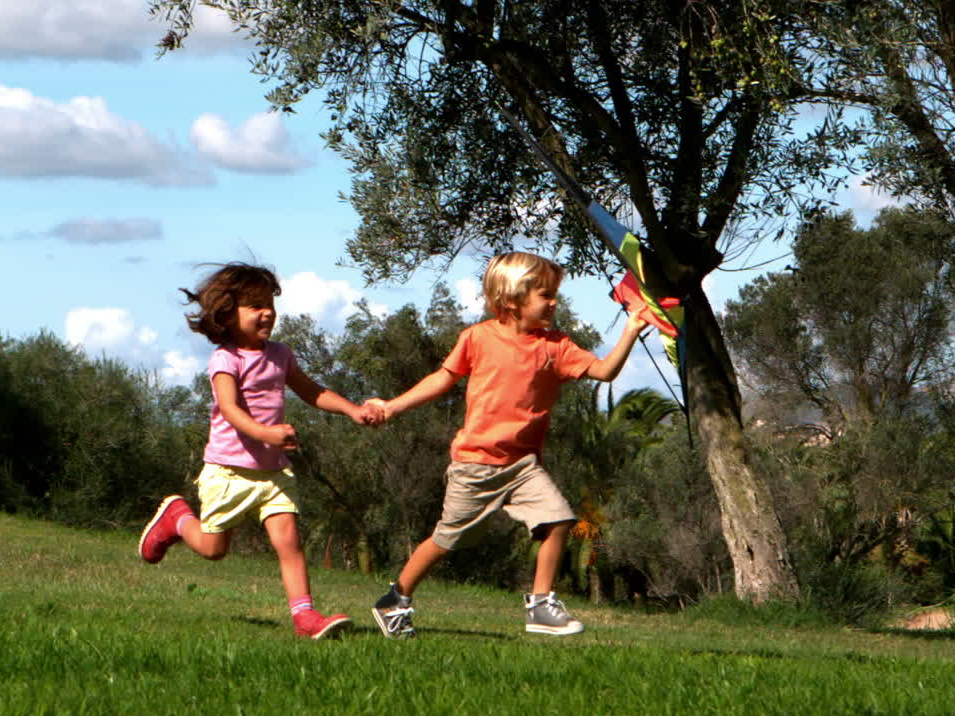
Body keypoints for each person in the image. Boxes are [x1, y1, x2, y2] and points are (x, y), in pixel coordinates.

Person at [366, 251, 647, 638]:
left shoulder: (557, 346)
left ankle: (541, 605)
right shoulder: (477, 338)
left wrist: (631, 329)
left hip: (522, 465)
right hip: (474, 464)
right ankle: (395, 599)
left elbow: (604, 370)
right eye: (545, 295)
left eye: (554, 295)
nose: (554, 302)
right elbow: (441, 380)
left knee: (559, 520)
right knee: (446, 540)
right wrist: (391, 407)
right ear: (512, 299)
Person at [138, 262, 381, 640]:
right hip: (229, 471)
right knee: (213, 549)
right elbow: (231, 411)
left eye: (269, 303)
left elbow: (312, 391)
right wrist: (267, 433)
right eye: (255, 305)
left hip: (272, 474)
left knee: (289, 542)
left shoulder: (280, 354)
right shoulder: (226, 359)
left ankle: (305, 618)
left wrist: (352, 409)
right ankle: (176, 519)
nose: (267, 312)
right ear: (227, 314)